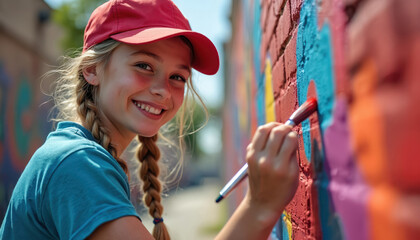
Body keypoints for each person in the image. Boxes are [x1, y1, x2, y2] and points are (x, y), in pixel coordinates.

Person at [0, 0, 299, 239]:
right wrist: (259, 206)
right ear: (92, 69)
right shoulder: (77, 163)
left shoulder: (84, 157)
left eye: (177, 77)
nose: (162, 90)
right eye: (144, 65)